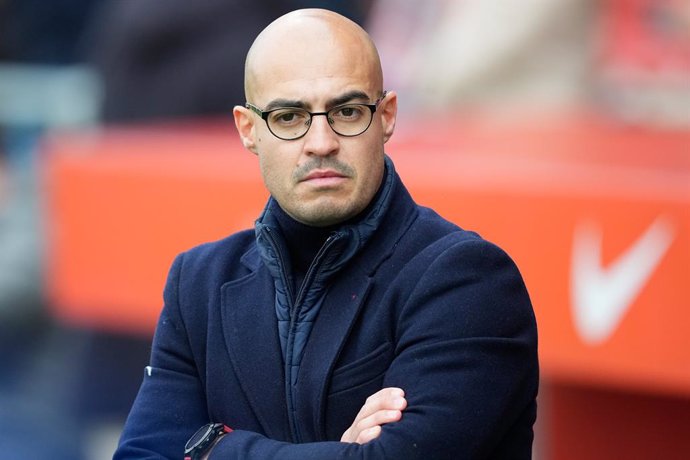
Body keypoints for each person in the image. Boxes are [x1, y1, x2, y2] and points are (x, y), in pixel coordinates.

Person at [114, 8, 538, 459]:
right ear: (248, 129)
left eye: (348, 111)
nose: (321, 141)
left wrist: (214, 448)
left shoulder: (467, 280)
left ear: (387, 116)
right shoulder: (198, 282)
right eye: (289, 117)